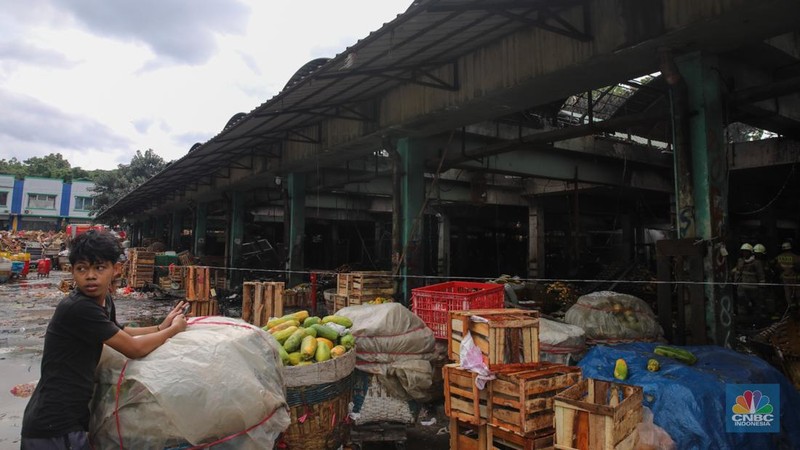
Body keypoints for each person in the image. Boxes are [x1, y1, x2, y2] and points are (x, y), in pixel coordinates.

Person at [21, 230, 189, 449]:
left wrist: (160, 326)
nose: (90, 275)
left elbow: (121, 332)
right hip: (53, 426)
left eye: (99, 267)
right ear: (72, 271)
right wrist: (173, 331)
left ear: (116, 269)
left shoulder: (103, 301)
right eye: (82, 269)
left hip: (70, 420)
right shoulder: (79, 307)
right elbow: (134, 349)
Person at [731, 243, 765, 321]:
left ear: (750, 252)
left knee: (756, 304)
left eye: (746, 251)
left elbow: (761, 275)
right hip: (742, 287)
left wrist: (762, 286)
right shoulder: (740, 261)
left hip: (753, 288)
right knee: (742, 304)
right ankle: (743, 319)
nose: (744, 253)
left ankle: (756, 320)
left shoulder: (757, 262)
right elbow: (737, 272)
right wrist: (735, 283)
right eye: (743, 251)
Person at [772, 241, 800, 310]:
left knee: (787, 292)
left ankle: (790, 307)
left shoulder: (778, 257)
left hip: (785, 278)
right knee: (797, 292)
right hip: (795, 278)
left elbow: (773, 265)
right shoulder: (796, 257)